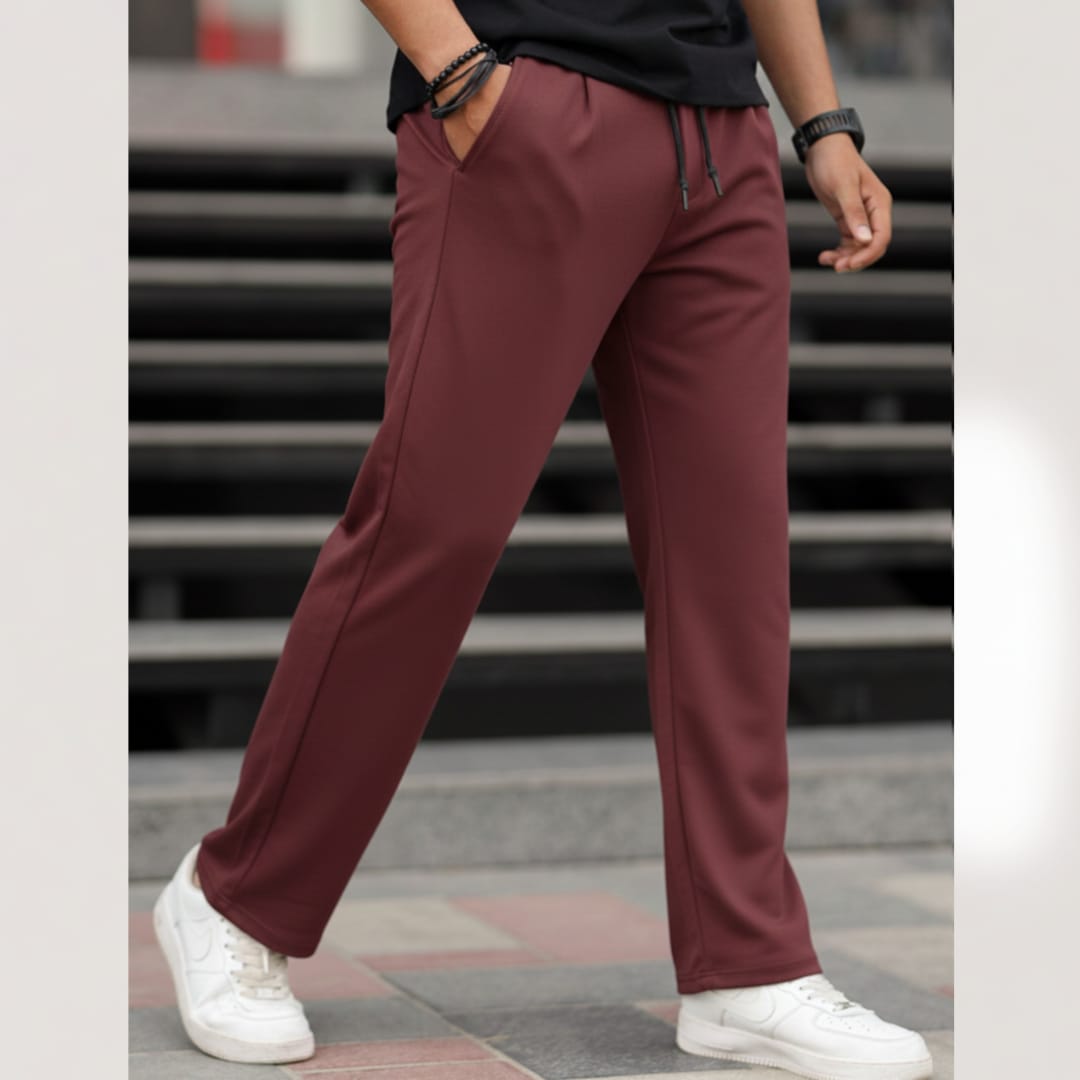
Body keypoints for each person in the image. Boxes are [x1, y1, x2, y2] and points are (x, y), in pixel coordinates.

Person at [153, 2, 933, 1078]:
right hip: (525, 99)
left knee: (731, 568)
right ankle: (235, 900)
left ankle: (745, 963)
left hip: (721, 137)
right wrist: (457, 71)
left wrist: (823, 123)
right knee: (433, 529)